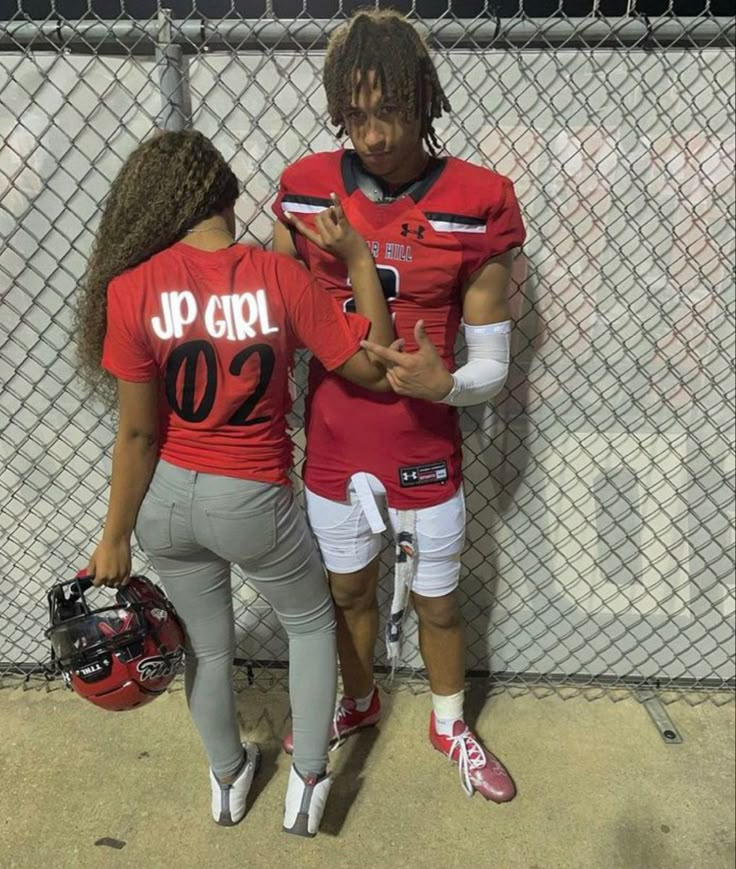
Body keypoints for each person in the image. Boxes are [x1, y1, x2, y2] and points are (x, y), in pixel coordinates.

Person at [74, 129, 396, 837]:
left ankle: (226, 779)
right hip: (250, 492)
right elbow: (372, 362)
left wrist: (114, 536)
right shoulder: (280, 276)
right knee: (311, 623)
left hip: (166, 498)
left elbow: (138, 434)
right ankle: (308, 781)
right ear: (226, 196)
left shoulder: (132, 289)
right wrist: (359, 260)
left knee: (207, 646)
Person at [272, 8, 526, 802]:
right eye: (355, 114)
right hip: (336, 438)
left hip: (424, 437)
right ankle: (359, 699)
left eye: (390, 111)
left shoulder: (480, 200)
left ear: (427, 100)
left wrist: (445, 384)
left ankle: (450, 721)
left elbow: (492, 362)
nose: (373, 134)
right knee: (346, 592)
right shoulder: (306, 185)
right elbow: (279, 309)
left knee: (437, 603)